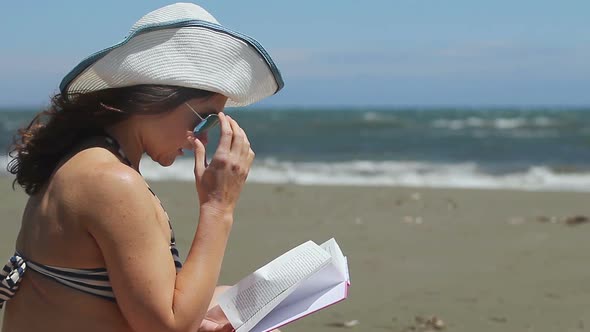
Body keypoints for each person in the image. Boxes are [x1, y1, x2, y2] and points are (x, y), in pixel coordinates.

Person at [0, 3, 284, 332]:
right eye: (203, 117)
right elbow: (169, 327)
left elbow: (138, 299)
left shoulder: (86, 160)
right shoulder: (111, 181)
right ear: (155, 98)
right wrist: (218, 207)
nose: (203, 136)